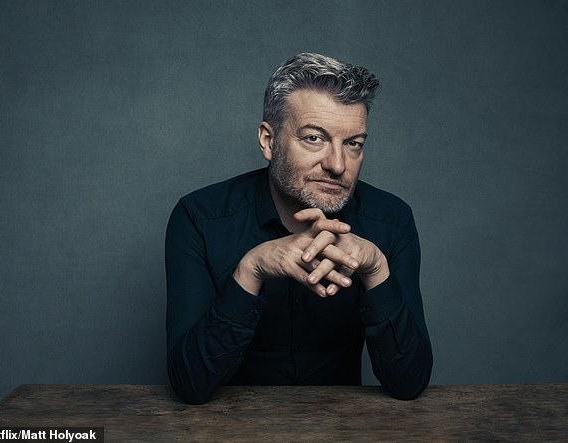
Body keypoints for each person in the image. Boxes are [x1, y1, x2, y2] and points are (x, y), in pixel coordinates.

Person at [165, 52, 433, 405]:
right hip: (228, 426)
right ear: (268, 140)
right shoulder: (199, 218)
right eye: (314, 138)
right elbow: (189, 385)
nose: (337, 165)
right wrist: (250, 270)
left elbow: (409, 383)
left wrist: (376, 270)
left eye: (353, 144)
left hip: (345, 426)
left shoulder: (391, 221)